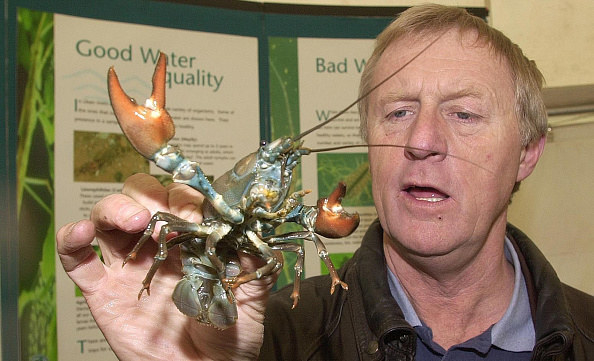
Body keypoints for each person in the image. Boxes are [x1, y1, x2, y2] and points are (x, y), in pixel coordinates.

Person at [57, 4, 594, 360]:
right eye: (399, 111)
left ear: (527, 152)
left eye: (465, 114)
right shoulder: (267, 339)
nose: (422, 140)